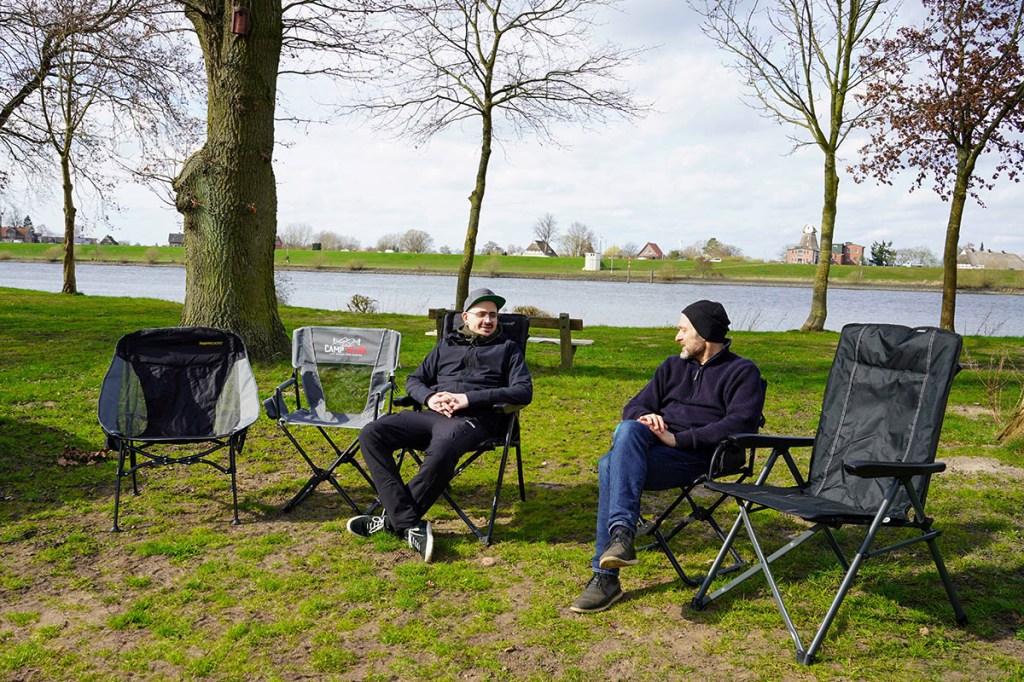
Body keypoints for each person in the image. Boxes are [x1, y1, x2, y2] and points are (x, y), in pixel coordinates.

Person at [570, 300, 765, 613]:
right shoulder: (672, 367)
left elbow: (740, 423)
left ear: (705, 333)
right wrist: (648, 417)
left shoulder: (742, 371)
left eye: (683, 329)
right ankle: (621, 537)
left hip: (703, 457)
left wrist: (680, 439)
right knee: (629, 428)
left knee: (609, 466)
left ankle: (606, 576)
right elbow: (633, 406)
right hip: (657, 448)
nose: (677, 337)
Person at [346, 288, 533, 562]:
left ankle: (390, 522)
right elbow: (414, 380)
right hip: (433, 413)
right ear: (466, 317)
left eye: (493, 315)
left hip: (474, 419)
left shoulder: (507, 349)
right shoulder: (447, 344)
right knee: (372, 433)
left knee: (444, 445)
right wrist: (430, 397)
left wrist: (468, 399)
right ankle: (407, 522)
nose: (488, 321)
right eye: (481, 315)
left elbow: (523, 391)